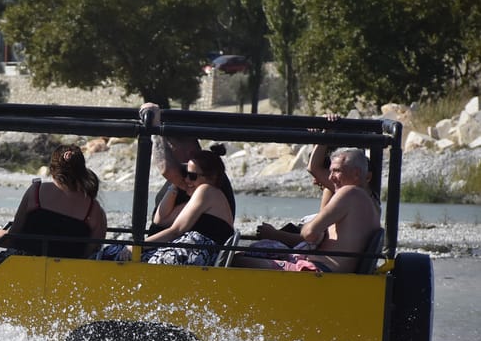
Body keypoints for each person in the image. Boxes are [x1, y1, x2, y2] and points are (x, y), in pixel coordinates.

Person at [236, 147, 381, 273]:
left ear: (356, 173)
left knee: (236, 261)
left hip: (318, 271)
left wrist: (310, 229)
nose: (330, 177)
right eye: (330, 171)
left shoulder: (349, 192)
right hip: (326, 269)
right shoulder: (372, 204)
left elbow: (309, 233)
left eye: (336, 171)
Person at [0, 145, 107, 267]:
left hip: (18, 267)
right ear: (81, 170)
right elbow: (89, 256)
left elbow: (12, 238)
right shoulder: (95, 211)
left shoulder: (36, 192)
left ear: (52, 169)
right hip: (66, 275)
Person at [113, 149, 235, 266]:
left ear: (211, 177)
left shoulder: (206, 191)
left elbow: (176, 231)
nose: (186, 179)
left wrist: (137, 246)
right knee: (115, 251)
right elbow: (161, 220)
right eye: (185, 174)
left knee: (140, 261)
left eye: (192, 176)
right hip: (193, 252)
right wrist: (176, 185)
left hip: (198, 253)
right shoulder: (205, 199)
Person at [140, 102, 236, 234]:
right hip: (169, 246)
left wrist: (155, 129)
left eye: (170, 148)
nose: (168, 153)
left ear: (189, 152)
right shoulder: (190, 175)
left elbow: (166, 168)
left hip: (183, 248)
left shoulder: (204, 179)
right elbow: (160, 221)